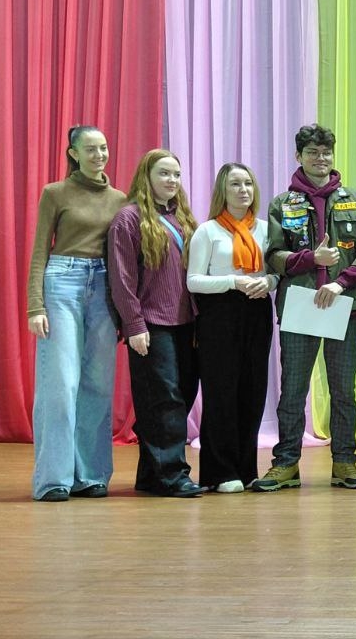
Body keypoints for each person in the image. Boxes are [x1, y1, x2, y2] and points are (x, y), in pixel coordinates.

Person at [253, 125, 356, 492]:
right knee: (293, 389)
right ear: (299, 156)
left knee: (343, 390)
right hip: (301, 305)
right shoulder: (282, 203)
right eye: (312, 152)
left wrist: (340, 282)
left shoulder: (354, 199)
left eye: (326, 152)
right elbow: (274, 255)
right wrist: (312, 259)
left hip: (344, 304)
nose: (320, 158)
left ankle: (344, 462)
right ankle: (286, 463)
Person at [27, 125, 127, 502]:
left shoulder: (120, 199)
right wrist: (35, 305)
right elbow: (40, 250)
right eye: (90, 149)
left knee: (98, 384)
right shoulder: (55, 193)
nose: (99, 155)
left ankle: (91, 475)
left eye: (103, 148)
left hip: (103, 287)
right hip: (62, 282)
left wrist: (123, 309)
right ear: (74, 153)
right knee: (61, 383)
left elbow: (122, 259)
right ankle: (53, 479)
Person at [107, 149, 204, 498]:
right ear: (146, 177)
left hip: (186, 322)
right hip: (151, 323)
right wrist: (134, 325)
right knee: (164, 399)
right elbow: (121, 279)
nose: (172, 180)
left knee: (182, 395)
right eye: (164, 173)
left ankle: (151, 475)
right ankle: (172, 475)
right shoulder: (128, 219)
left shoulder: (183, 218)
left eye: (176, 174)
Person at [187, 163, 277, 493]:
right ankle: (219, 472)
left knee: (252, 391)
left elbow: (277, 271)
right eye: (235, 184)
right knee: (221, 392)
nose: (243, 190)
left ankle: (246, 468)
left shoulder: (266, 230)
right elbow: (193, 281)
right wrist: (233, 282)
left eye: (248, 184)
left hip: (256, 312)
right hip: (219, 315)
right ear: (222, 191)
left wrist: (268, 281)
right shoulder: (208, 231)